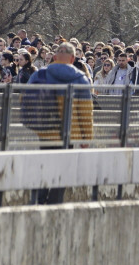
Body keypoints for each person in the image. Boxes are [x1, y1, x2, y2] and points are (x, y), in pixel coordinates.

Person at [28, 42, 94, 204]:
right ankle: (54, 202)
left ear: (55, 57)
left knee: (45, 164)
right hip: (68, 132)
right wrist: (86, 136)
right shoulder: (80, 78)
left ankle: (39, 199)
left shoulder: (40, 74)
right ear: (72, 59)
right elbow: (85, 111)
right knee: (63, 168)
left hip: (45, 130)